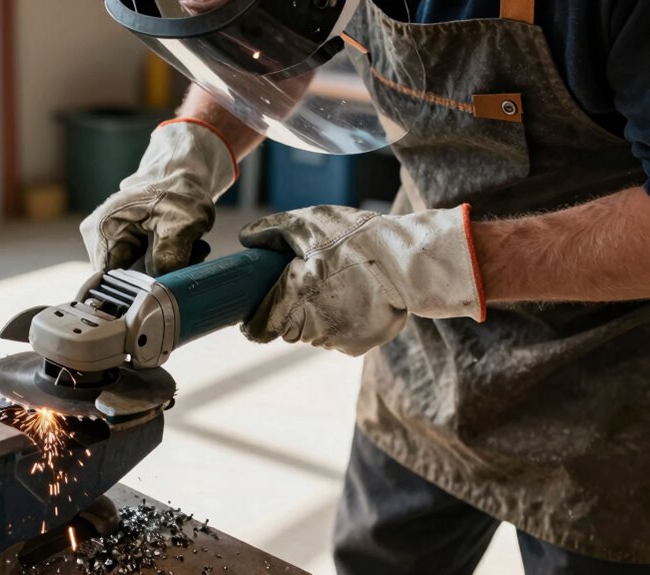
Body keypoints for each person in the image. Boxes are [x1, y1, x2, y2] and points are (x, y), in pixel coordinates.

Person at [81, 1, 650, 574]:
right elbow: (271, 50)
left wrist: (424, 263)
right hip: (427, 353)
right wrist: (195, 146)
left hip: (614, 390)